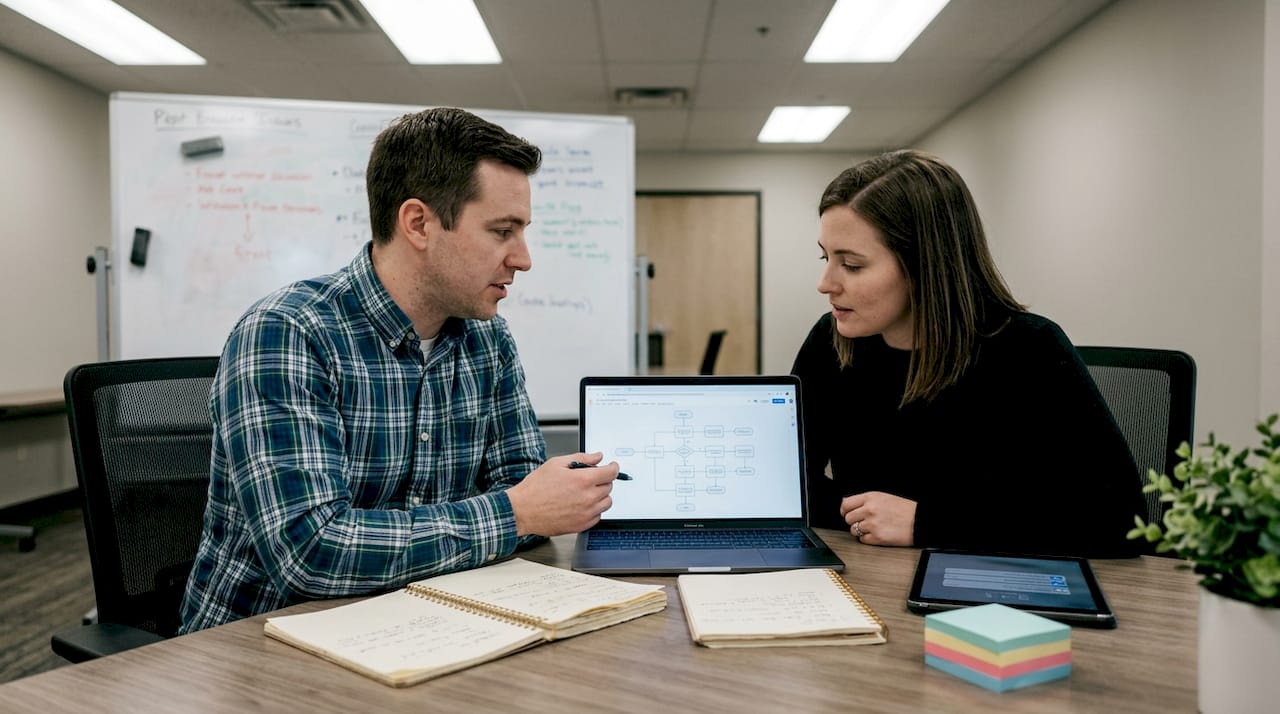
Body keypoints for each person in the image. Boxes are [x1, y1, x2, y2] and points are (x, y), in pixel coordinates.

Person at [180, 108, 620, 632]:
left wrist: (524, 509)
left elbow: (528, 496)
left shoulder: (488, 341)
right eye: (502, 231)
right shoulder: (287, 333)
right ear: (418, 224)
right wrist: (513, 514)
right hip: (259, 646)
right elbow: (311, 552)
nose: (522, 259)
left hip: (420, 624)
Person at [790, 149, 1144, 558]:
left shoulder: (1028, 349)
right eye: (825, 256)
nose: (825, 283)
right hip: (869, 576)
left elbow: (1119, 519)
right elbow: (789, 483)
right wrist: (862, 517)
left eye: (851, 264)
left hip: (988, 594)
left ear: (923, 265)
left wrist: (927, 523)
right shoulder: (831, 341)